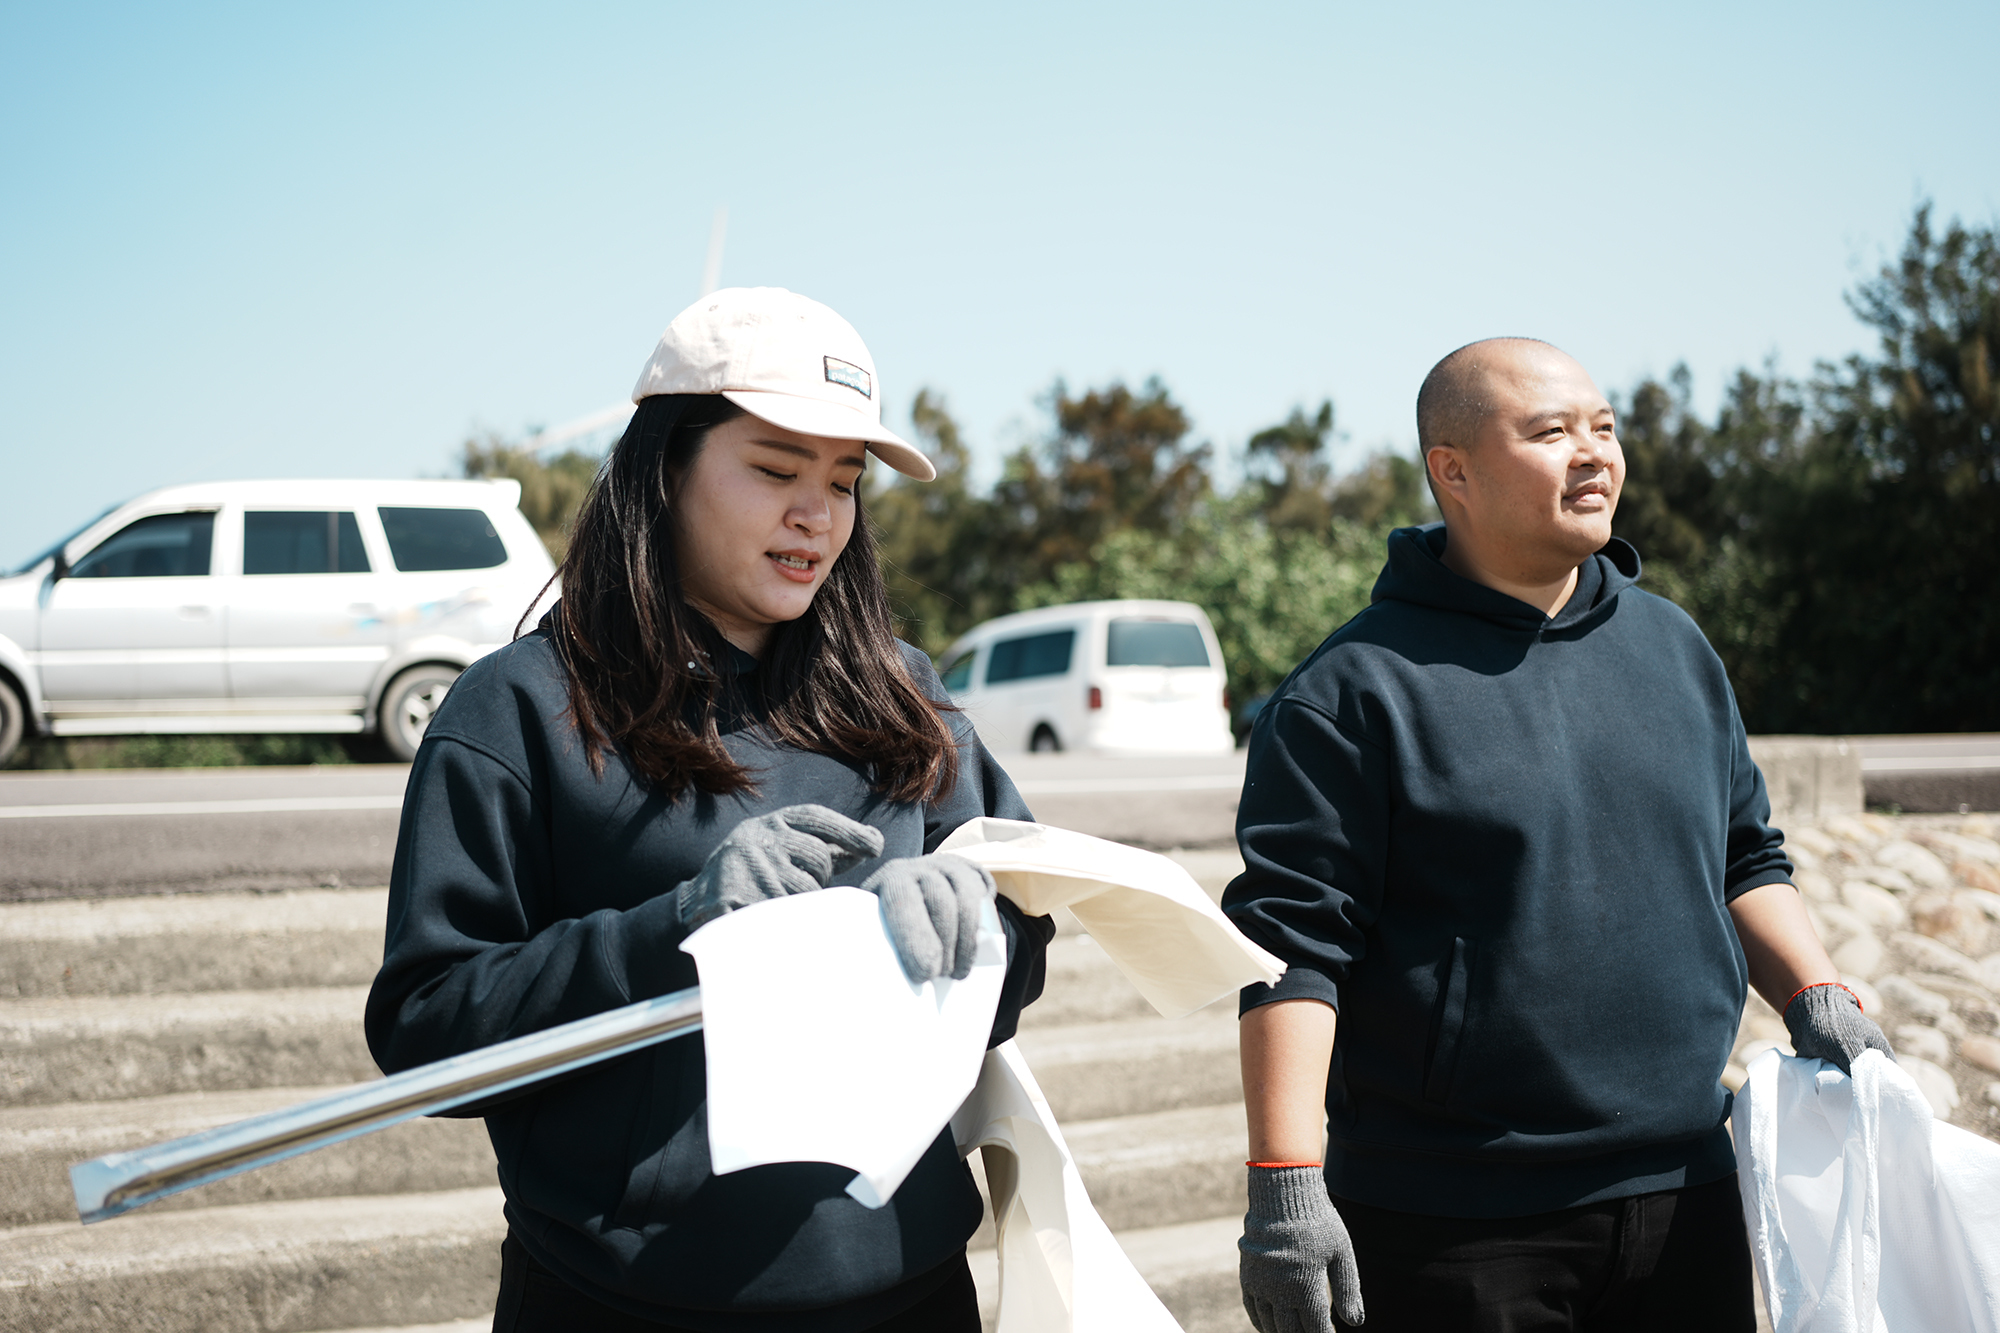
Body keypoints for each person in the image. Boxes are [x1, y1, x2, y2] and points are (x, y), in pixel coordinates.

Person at [364, 287, 1055, 1333]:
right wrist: (680, 925)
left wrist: (973, 925)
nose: (816, 514)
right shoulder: (517, 707)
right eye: (775, 469)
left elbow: (1021, 947)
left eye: (844, 480)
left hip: (913, 1292)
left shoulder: (903, 691)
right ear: (664, 469)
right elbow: (426, 1034)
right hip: (620, 1302)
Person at [1222, 337, 1893, 1333]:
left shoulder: (1674, 647)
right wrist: (1285, 1182)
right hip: (1451, 1222)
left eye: (1603, 428)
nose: (1593, 454)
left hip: (1686, 1191)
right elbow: (1291, 950)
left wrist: (1815, 994)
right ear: (1452, 470)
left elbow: (1743, 855)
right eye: (1550, 432)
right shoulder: (1349, 693)